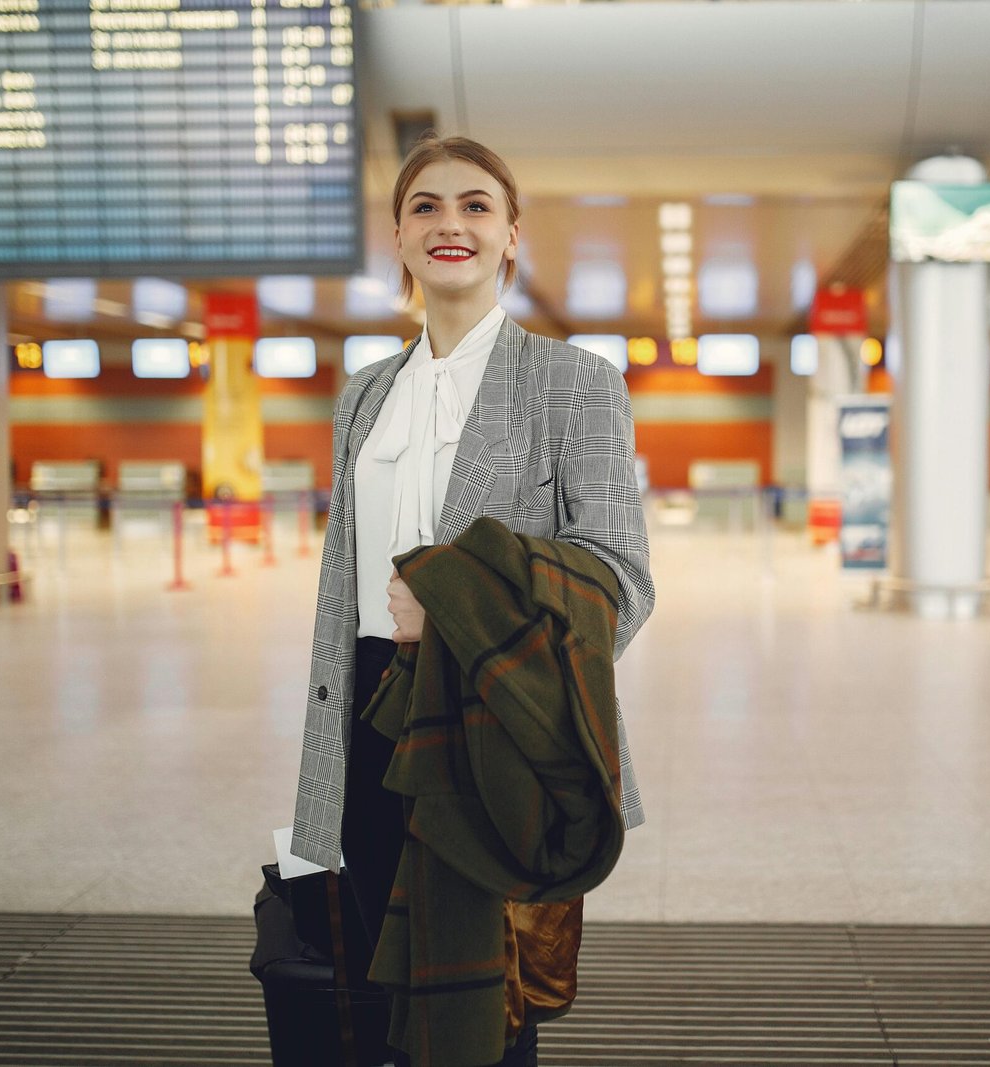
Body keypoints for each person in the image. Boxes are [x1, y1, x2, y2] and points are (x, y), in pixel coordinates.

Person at [290, 134, 655, 1067]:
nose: (451, 222)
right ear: (401, 240)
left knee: (489, 1003)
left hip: (494, 723)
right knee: (380, 987)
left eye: (476, 206)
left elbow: (618, 575)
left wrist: (455, 603)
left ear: (510, 237)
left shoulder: (574, 384)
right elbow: (341, 589)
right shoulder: (364, 397)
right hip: (370, 718)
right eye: (426, 207)